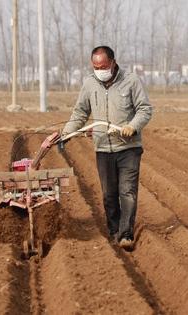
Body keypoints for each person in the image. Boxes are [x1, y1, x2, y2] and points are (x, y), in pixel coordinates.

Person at [61, 46, 152, 251]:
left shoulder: (130, 81)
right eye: (95, 67)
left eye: (103, 66)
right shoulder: (89, 83)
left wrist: (132, 126)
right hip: (103, 147)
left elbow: (145, 109)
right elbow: (80, 113)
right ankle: (114, 231)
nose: (99, 70)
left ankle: (126, 234)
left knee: (127, 191)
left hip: (128, 147)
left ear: (112, 62)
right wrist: (66, 133)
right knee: (109, 194)